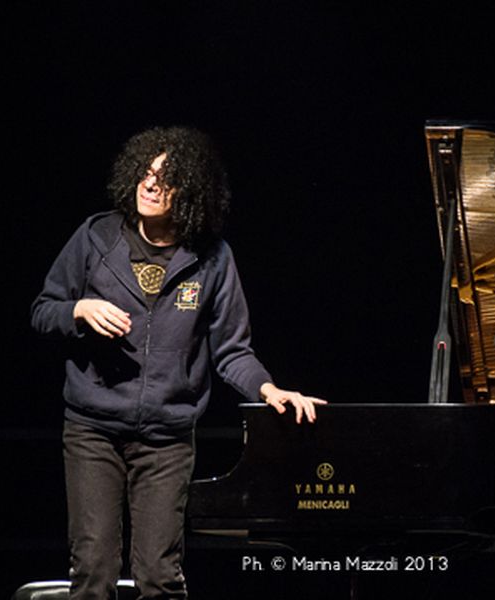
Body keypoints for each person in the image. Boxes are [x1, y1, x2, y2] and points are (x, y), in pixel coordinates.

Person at [30, 126, 325, 599]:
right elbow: (43, 312)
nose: (150, 185)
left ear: (189, 192)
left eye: (166, 180)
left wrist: (269, 389)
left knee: (159, 575)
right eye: (146, 173)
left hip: (166, 439)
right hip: (93, 431)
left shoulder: (212, 259)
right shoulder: (96, 236)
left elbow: (232, 350)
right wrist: (78, 310)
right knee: (93, 568)